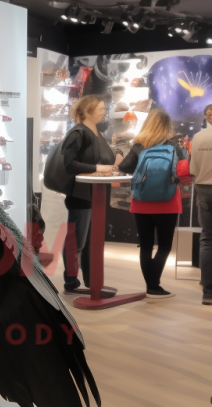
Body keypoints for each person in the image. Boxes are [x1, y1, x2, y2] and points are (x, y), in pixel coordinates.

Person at [119, 108, 187, 299]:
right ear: (168, 126)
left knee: (146, 245)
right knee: (164, 246)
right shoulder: (174, 145)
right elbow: (183, 171)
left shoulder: (139, 145)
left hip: (141, 201)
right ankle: (153, 286)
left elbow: (124, 167)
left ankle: (151, 286)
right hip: (168, 201)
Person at [61, 95, 121, 294]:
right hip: (81, 195)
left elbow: (105, 160)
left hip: (94, 194)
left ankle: (90, 282)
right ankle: (71, 282)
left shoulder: (95, 133)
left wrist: (113, 163)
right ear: (88, 111)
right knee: (77, 241)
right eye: (101, 109)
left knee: (87, 241)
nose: (104, 112)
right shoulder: (78, 133)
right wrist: (99, 167)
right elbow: (70, 164)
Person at [189, 103, 212, 305]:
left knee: (207, 238)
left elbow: (193, 169)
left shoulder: (198, 137)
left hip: (204, 189)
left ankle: (208, 292)